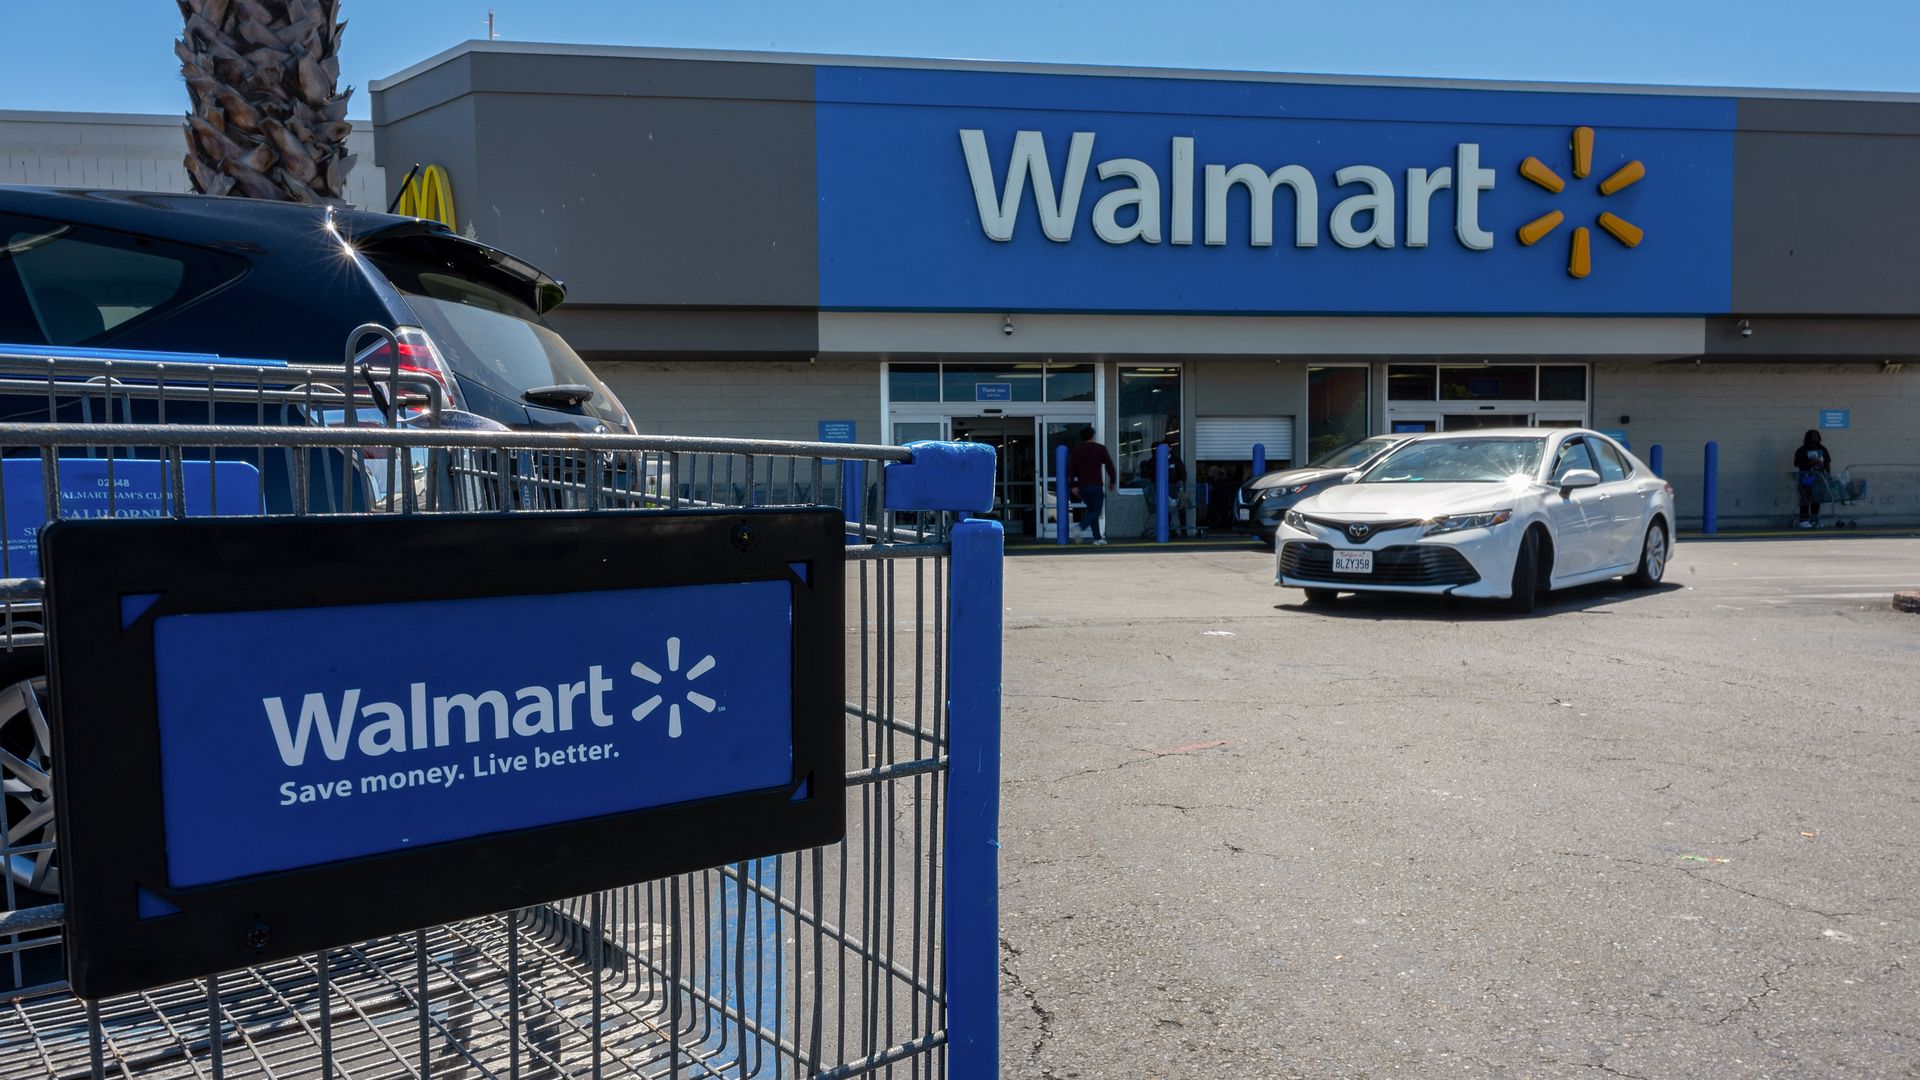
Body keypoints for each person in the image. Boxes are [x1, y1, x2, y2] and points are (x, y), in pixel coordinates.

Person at [1067, 426, 1116, 545]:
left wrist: (1073, 485)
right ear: (1093, 436)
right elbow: (1110, 466)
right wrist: (1112, 481)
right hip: (1095, 485)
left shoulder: (1077, 450)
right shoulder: (1100, 448)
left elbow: (1071, 469)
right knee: (1096, 511)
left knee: (1091, 510)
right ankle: (1079, 527)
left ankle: (1097, 538)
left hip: (1082, 487)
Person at [1794, 429, 1832, 528]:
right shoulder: (1802, 450)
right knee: (1806, 497)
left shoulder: (1822, 449)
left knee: (1817, 498)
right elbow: (1796, 463)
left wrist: (1828, 474)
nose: (1815, 437)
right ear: (1808, 437)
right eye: (1813, 435)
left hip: (1819, 477)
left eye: (1816, 435)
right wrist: (1810, 463)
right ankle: (1804, 520)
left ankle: (1814, 520)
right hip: (1807, 477)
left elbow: (1827, 462)